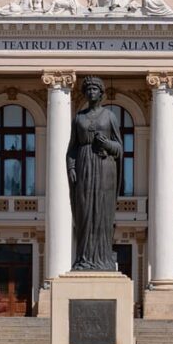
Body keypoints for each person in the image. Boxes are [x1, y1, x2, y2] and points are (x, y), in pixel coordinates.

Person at [66, 76, 122, 271]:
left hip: (104, 166)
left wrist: (106, 144)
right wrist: (71, 167)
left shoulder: (110, 117)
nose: (91, 92)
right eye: (88, 89)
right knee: (84, 214)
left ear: (101, 93)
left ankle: (103, 259)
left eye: (95, 89)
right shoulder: (78, 118)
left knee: (103, 214)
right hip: (83, 166)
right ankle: (84, 259)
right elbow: (72, 147)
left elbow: (119, 149)